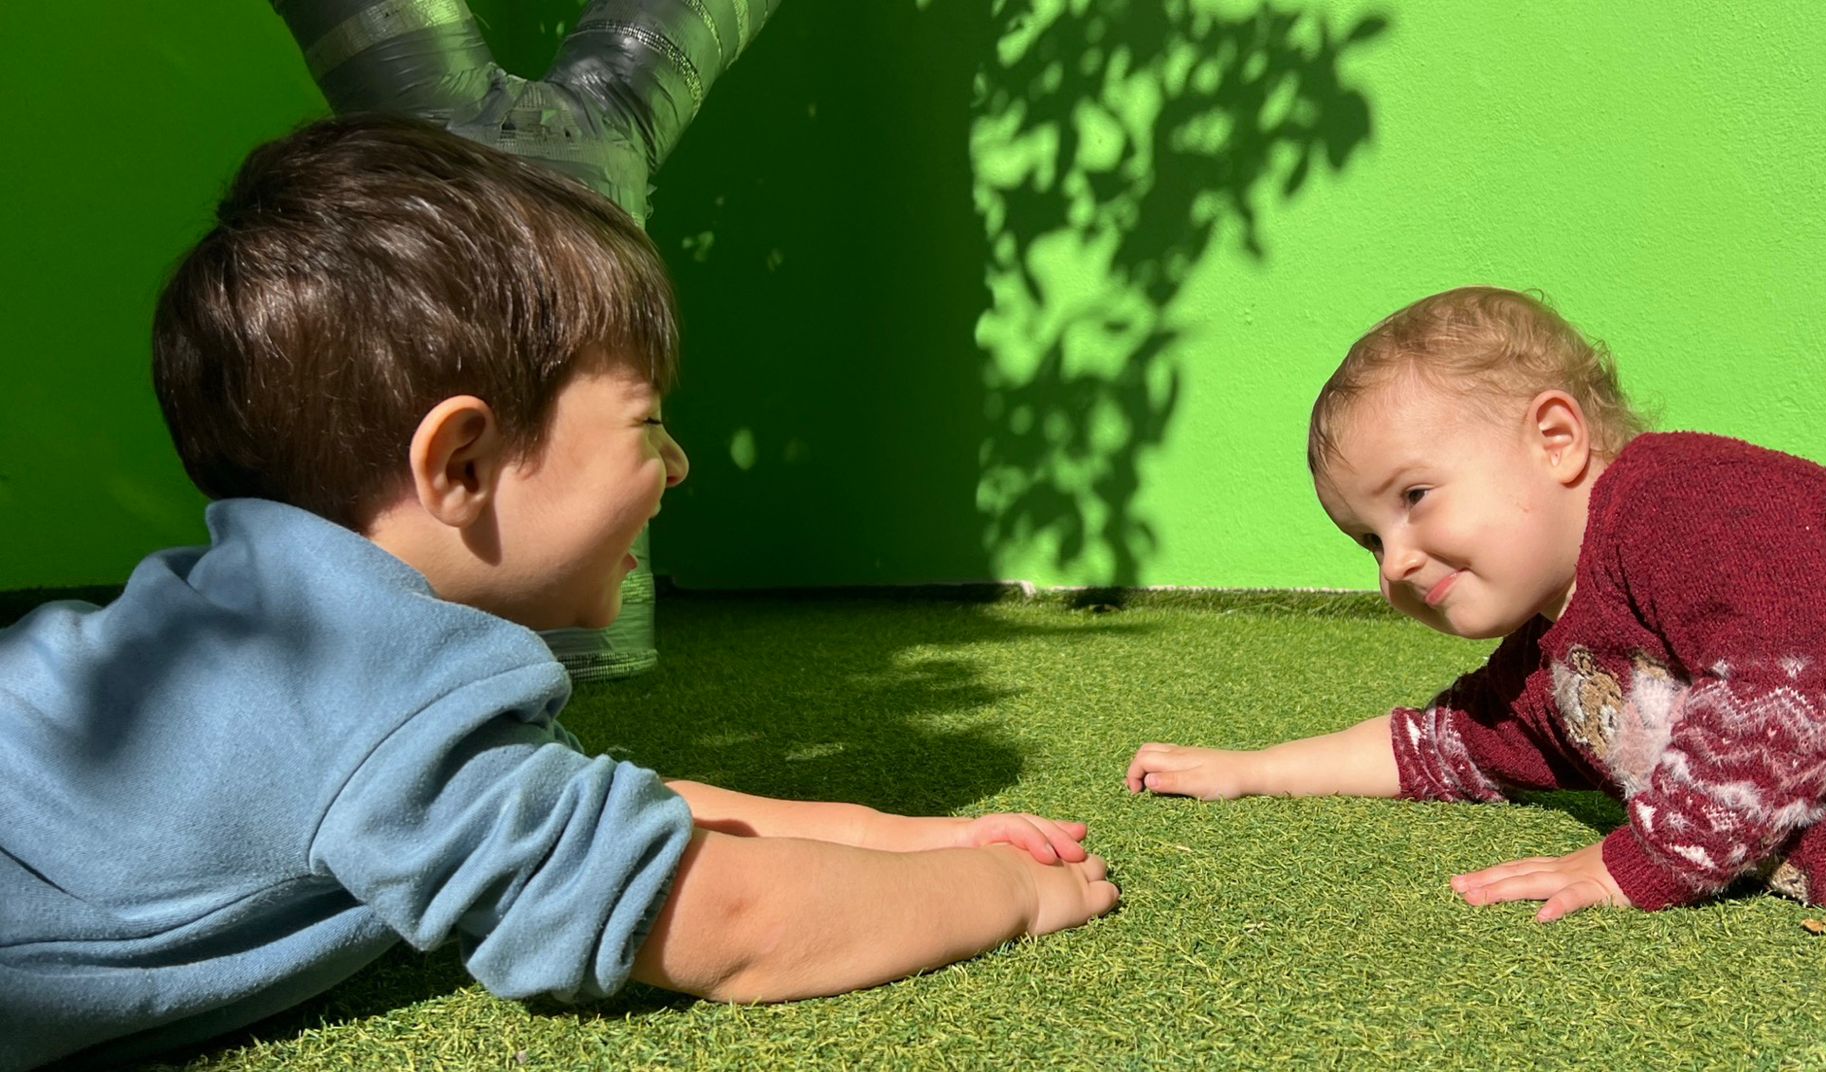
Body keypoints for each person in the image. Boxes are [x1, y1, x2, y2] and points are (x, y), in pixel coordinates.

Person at [0, 114, 1117, 1071]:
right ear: (462, 466)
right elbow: (729, 918)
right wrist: (1008, 901)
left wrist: (899, 836)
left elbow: (613, 811)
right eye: (646, 423)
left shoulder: (279, 619)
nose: (676, 466)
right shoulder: (359, 688)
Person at [1125, 284, 1826, 947]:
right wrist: (1250, 770)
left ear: (1557, 440)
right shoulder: (1554, 670)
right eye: (1368, 541)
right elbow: (1439, 745)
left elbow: (1803, 686)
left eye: (1413, 496)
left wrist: (1638, 863)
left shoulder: (1669, 499)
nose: (1396, 561)